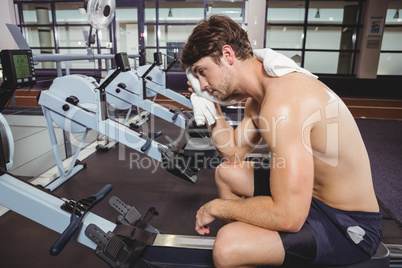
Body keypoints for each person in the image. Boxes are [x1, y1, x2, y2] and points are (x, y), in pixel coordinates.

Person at [180, 15, 382, 268]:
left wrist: (219, 208)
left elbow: (289, 217)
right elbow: (232, 154)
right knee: (227, 173)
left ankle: (243, 250)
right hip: (311, 200)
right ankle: (255, 249)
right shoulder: (260, 98)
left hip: (348, 225)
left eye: (202, 72)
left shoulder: (285, 102)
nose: (202, 84)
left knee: (228, 247)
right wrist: (211, 107)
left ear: (228, 55)